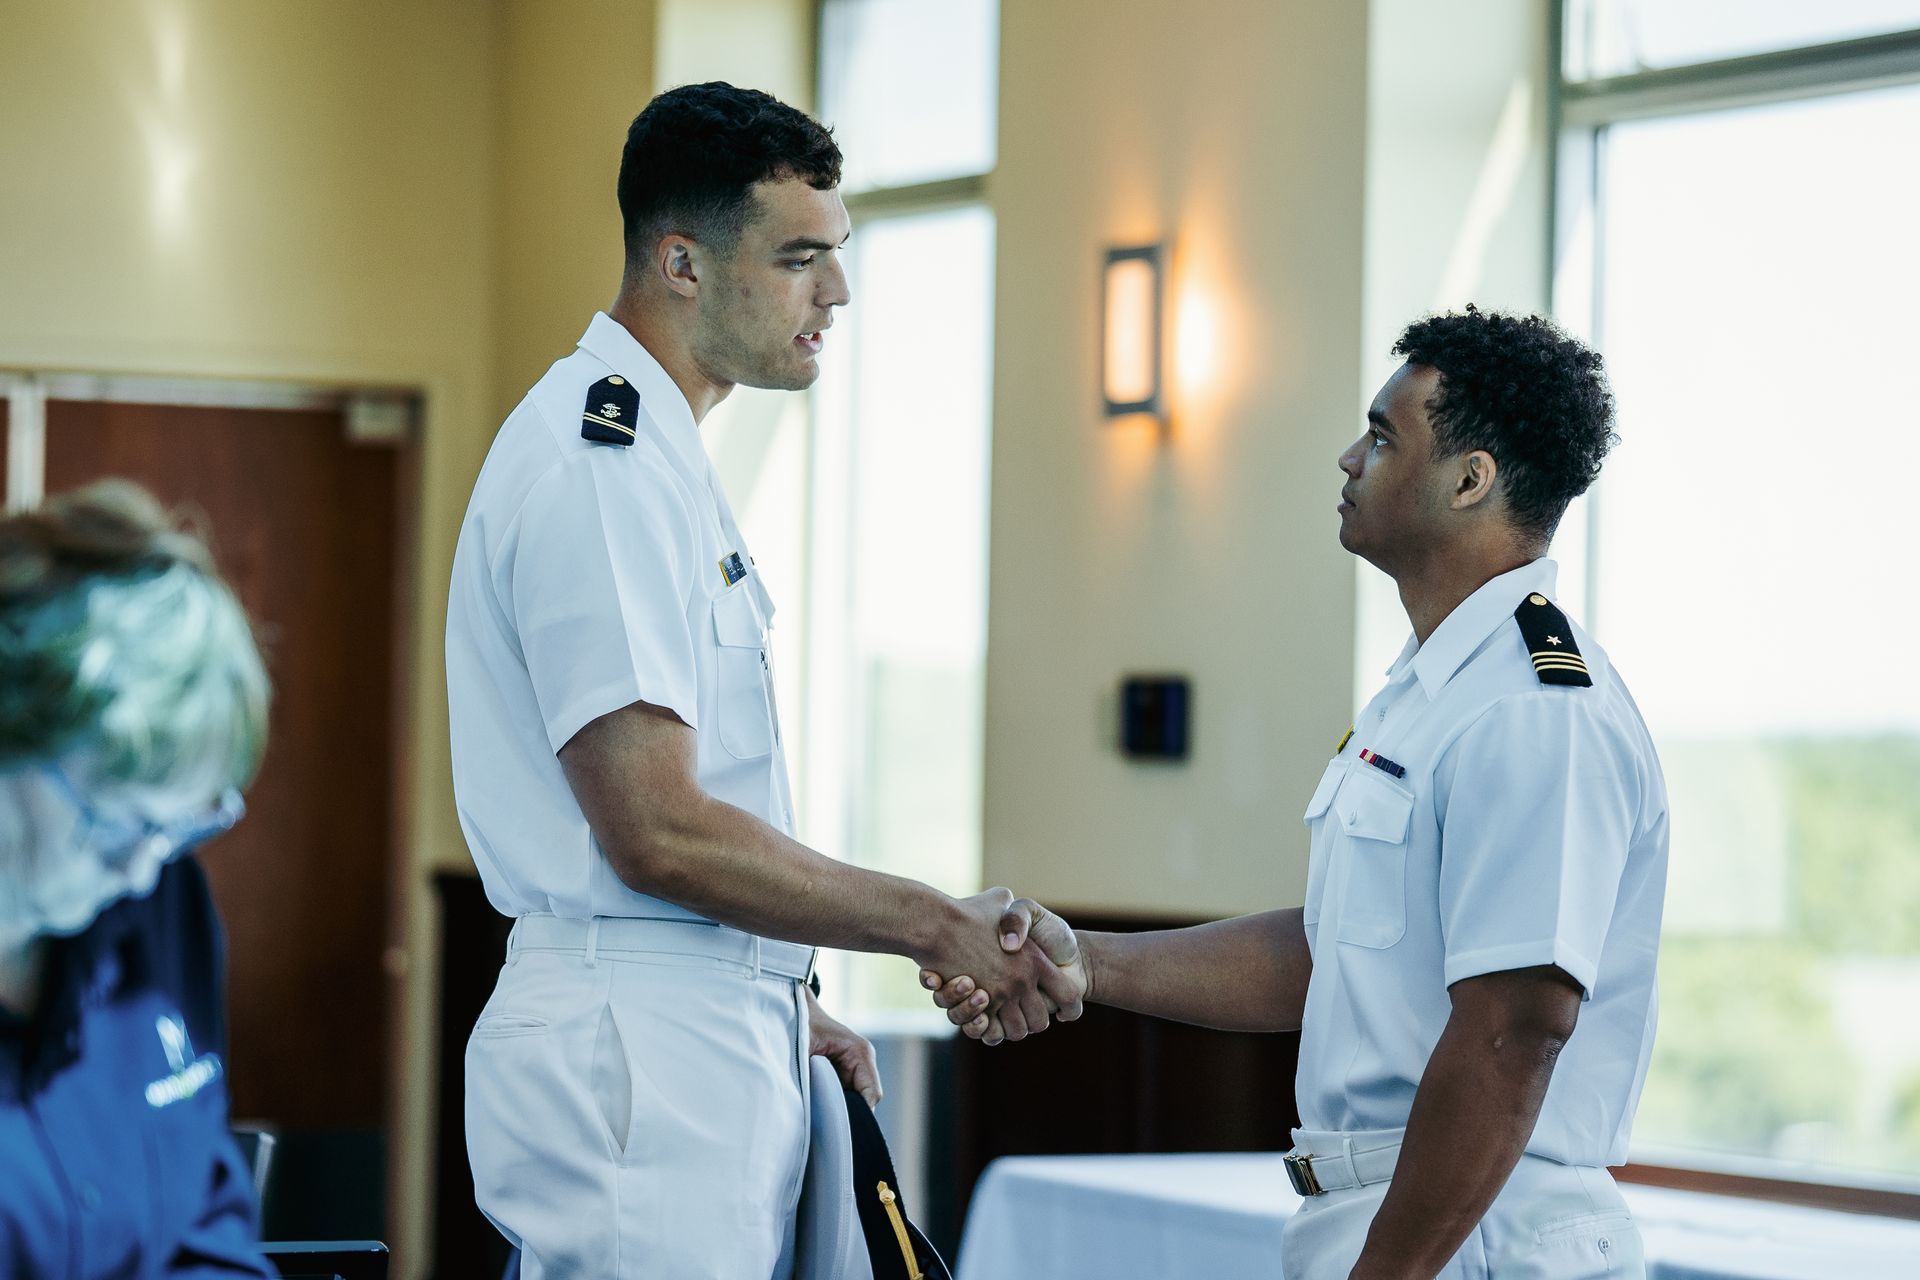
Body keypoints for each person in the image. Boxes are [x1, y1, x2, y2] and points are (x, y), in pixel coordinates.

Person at [446, 81, 1078, 1280]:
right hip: (637, 1045)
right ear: (681, 262)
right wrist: (930, 919)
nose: (836, 291)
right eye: (799, 258)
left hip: (695, 1023)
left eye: (836, 253)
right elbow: (657, 830)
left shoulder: (662, 459)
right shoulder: (602, 464)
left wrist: (781, 985)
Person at [927, 307, 1669, 1280]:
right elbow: (1334, 952)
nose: (1350, 458)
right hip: (1396, 1214)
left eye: (1382, 436)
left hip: (1477, 1229)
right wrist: (1086, 961)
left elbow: (1514, 1029)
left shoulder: (1534, 706)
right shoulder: (1427, 693)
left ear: (1470, 479)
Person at [0, 479, 272, 1277]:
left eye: (179, 826)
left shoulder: (159, 904)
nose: (144, 866)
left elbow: (204, 1225)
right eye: (118, 819)